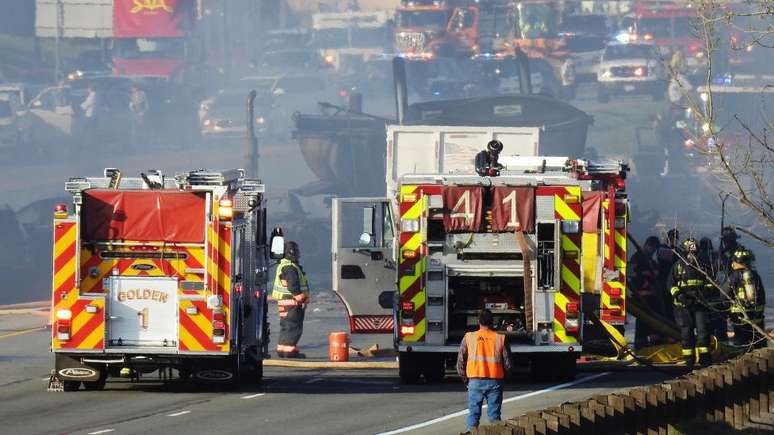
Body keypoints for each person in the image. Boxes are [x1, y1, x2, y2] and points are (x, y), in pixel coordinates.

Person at [456, 309, 512, 432]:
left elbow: (460, 362)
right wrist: (503, 379)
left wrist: (466, 381)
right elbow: (508, 364)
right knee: (495, 417)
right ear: (492, 322)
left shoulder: (469, 337)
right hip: (495, 382)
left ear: (478, 321)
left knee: (473, 415)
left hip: (475, 381)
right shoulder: (500, 338)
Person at [668, 238, 713, 368]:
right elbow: (670, 284)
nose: (691, 256)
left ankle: (705, 360)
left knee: (703, 332)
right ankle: (689, 360)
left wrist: (704, 294)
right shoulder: (677, 266)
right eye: (689, 253)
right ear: (684, 252)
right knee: (686, 333)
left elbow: (711, 283)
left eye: (693, 253)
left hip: (700, 305)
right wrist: (679, 294)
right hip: (683, 306)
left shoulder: (703, 266)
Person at [271, 241, 310, 358]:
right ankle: (289, 350)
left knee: (286, 325)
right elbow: (292, 285)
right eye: (297, 251)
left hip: (285, 302)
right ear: (291, 252)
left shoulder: (283, 265)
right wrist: (300, 298)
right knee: (294, 326)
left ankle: (282, 348)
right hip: (292, 302)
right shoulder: (290, 267)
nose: (299, 254)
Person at [726, 249, 766, 349]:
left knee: (742, 343)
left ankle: (743, 361)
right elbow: (762, 295)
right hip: (757, 317)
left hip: (740, 318)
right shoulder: (755, 276)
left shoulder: (733, 277)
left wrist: (727, 310)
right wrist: (759, 313)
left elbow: (724, 293)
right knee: (758, 341)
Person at [629, 236, 664, 348]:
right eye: (652, 249)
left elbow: (656, 274)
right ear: (648, 245)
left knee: (653, 321)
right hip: (641, 295)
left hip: (652, 296)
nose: (653, 252)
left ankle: (654, 343)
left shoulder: (651, 260)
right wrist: (644, 275)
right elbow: (630, 273)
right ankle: (640, 345)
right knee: (643, 322)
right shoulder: (636, 257)